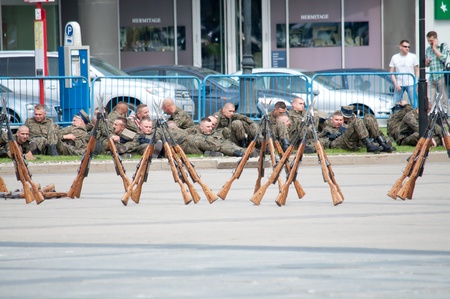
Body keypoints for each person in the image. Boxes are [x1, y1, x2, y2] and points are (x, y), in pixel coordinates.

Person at [193, 117, 258, 157]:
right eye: (208, 127)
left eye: (211, 126)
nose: (210, 128)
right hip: (223, 148)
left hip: (229, 145)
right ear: (201, 127)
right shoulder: (199, 137)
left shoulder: (217, 132)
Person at [389, 39, 419, 105]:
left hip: (411, 83)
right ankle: (396, 114)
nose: (407, 48)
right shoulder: (394, 57)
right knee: (395, 103)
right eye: (405, 46)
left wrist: (416, 82)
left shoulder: (413, 56)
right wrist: (396, 83)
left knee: (414, 103)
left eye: (408, 47)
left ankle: (416, 115)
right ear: (400, 47)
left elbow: (417, 70)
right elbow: (391, 72)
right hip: (399, 83)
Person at [425, 31, 449, 113]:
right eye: (428, 41)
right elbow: (427, 65)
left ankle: (445, 115)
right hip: (432, 77)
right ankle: (432, 115)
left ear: (436, 39)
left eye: (431, 40)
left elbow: (443, 58)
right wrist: (427, 62)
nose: (430, 43)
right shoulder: (428, 50)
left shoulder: (443, 46)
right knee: (430, 98)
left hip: (441, 75)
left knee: (443, 97)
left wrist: (435, 49)